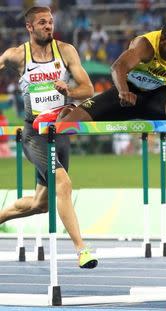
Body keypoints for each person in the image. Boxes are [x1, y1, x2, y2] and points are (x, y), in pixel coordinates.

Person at [0, 6, 97, 268]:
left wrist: (70, 90)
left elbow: (88, 89)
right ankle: (81, 249)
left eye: (51, 22)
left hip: (60, 131)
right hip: (34, 133)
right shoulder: (16, 55)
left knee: (41, 203)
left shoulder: (66, 51)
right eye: (42, 22)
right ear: (29, 27)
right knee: (63, 184)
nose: (48, 26)